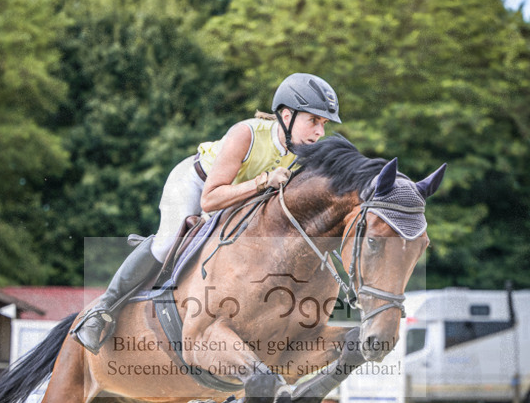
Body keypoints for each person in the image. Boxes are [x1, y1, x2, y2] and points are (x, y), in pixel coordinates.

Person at [73, 73, 342, 353]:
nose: (320, 132)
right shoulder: (246, 133)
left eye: (323, 124)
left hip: (243, 200)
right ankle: (101, 311)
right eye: (313, 120)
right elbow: (211, 199)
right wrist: (264, 181)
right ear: (287, 116)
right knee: (166, 244)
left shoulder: (305, 152)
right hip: (197, 183)